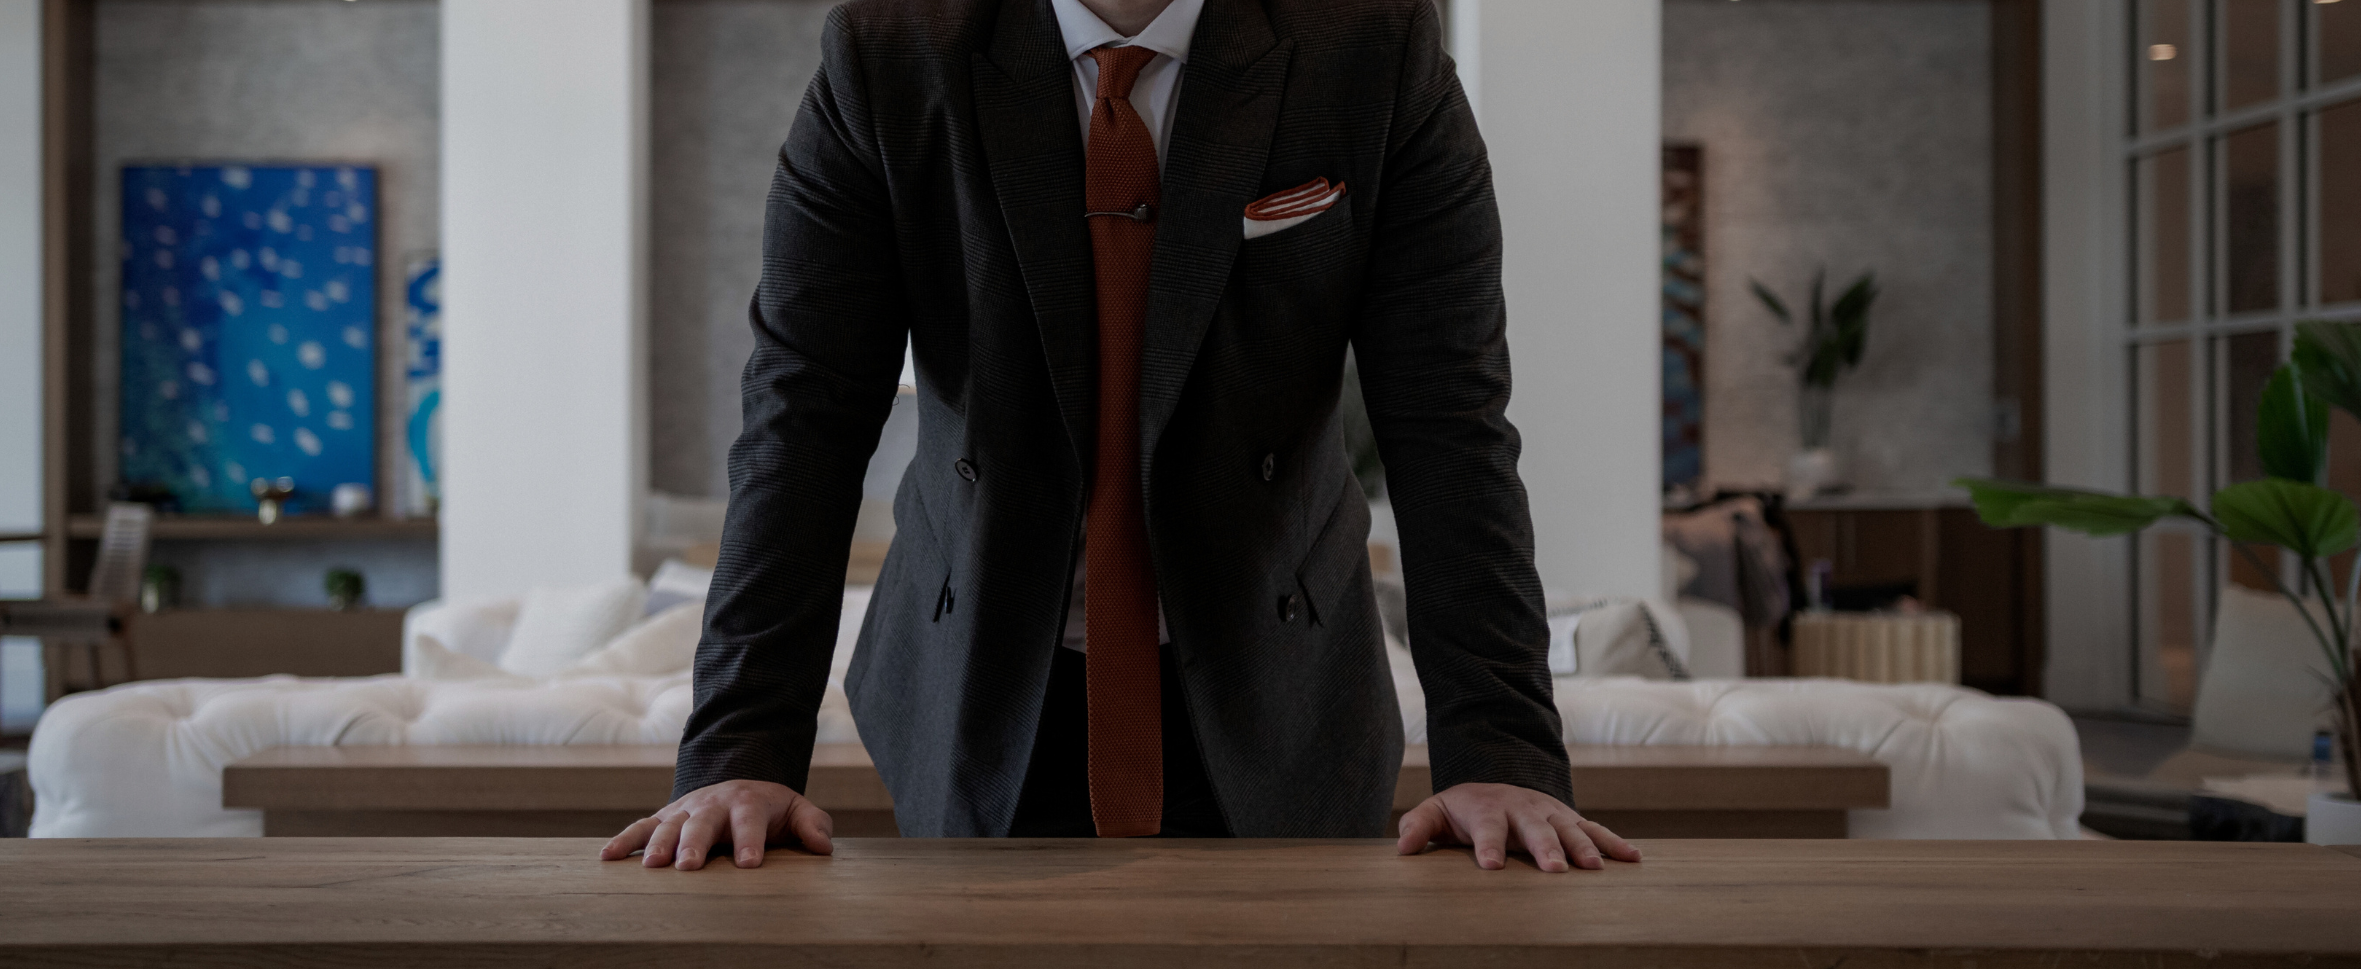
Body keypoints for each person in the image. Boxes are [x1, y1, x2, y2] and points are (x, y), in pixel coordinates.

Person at [601, 0, 1640, 873]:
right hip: (972, 684)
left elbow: (1449, 426)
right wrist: (740, 749)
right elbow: (801, 416)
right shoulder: (888, 49)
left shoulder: (1371, 46)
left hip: (1279, 683)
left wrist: (1498, 749)